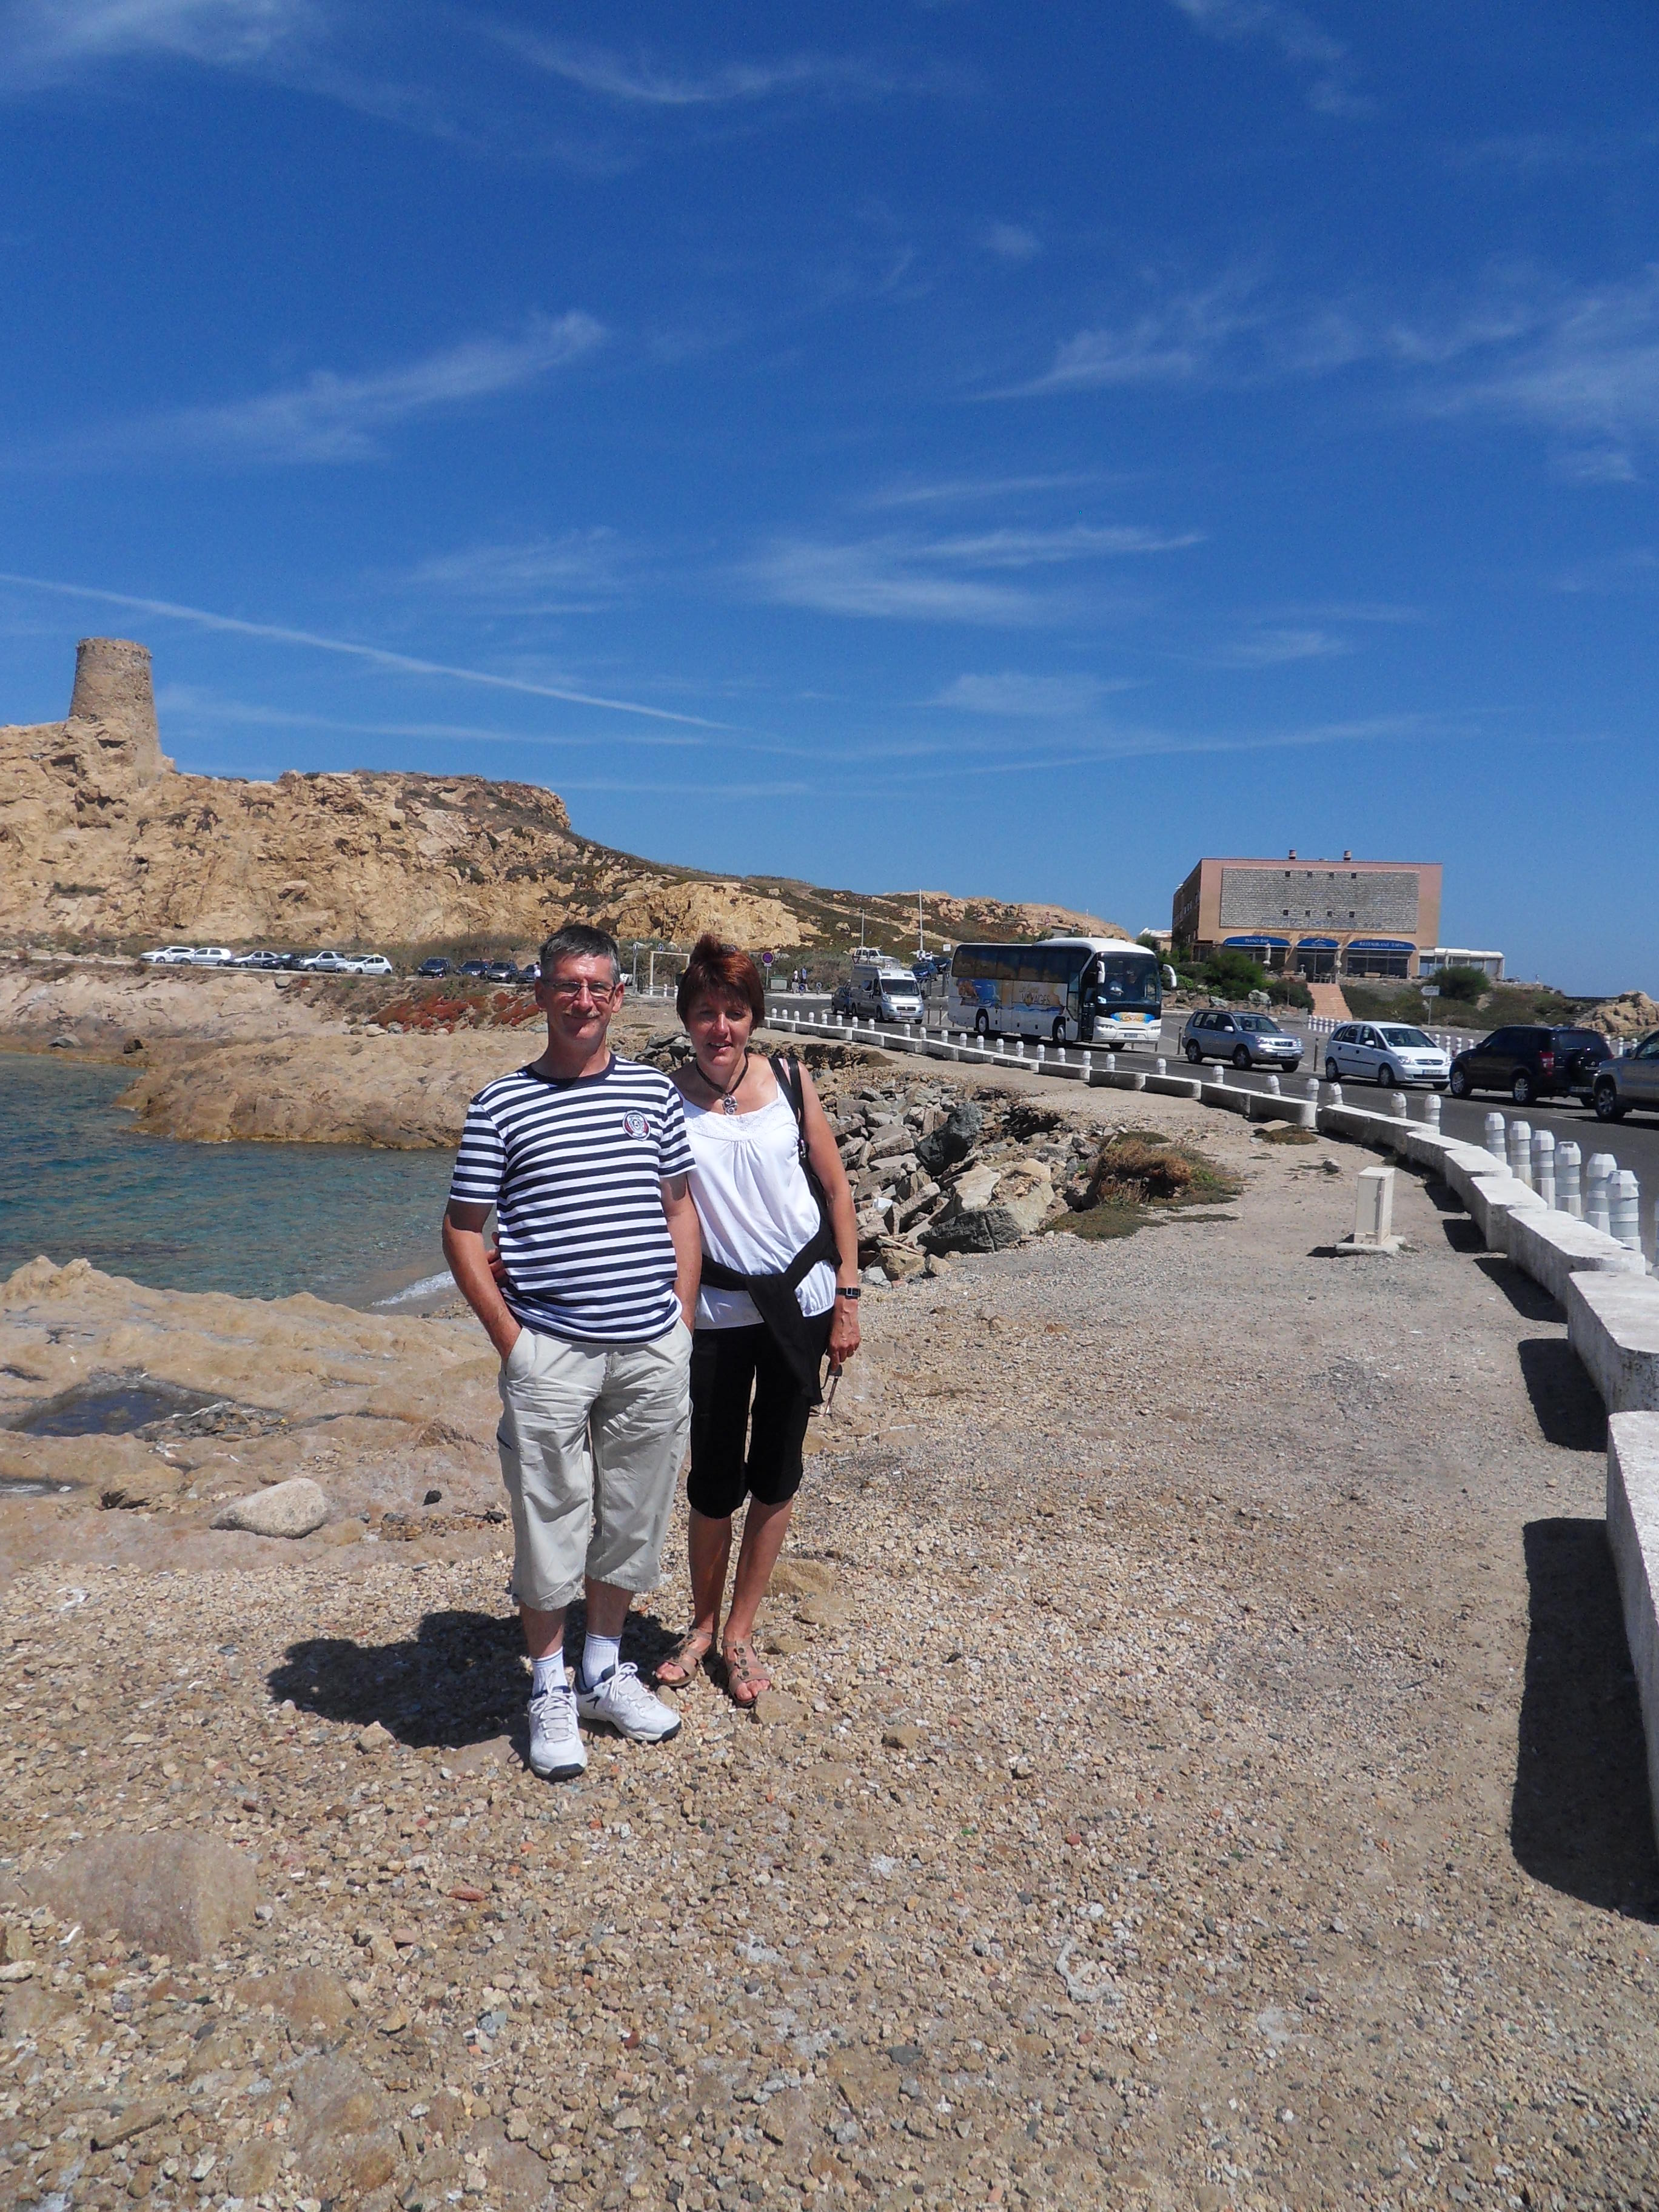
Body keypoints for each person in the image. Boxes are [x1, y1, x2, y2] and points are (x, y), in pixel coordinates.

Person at [441, 922, 701, 1783]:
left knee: (632, 1515)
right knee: (549, 1519)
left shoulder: (654, 1094)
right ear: (542, 994)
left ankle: (602, 1671)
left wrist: (681, 1322)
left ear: (618, 997)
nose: (582, 1000)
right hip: (550, 1350)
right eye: (567, 984)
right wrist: (512, 1343)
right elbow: (462, 1229)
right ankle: (549, 1687)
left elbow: (680, 1209)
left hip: (650, 1348)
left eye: (597, 986)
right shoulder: (501, 1104)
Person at [654, 936, 861, 1706]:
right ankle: (702, 1626)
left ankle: (740, 1634)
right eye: (707, 1012)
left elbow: (836, 1192)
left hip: (801, 1305)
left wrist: (848, 1297)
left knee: (776, 1471)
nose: (721, 1027)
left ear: (753, 1018)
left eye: (735, 1012)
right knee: (712, 1480)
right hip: (714, 1312)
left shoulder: (792, 1081)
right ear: (687, 1018)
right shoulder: (662, 1098)